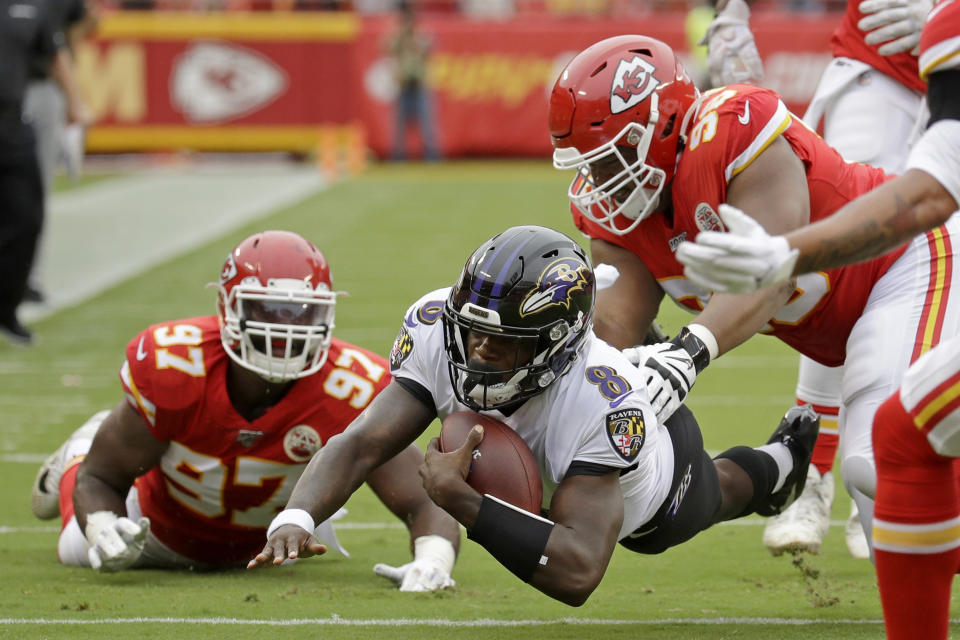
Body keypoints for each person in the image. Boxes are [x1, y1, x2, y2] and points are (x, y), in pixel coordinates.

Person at [547, 34, 960, 565]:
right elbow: (613, 324)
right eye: (589, 164)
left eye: (612, 158)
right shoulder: (618, 216)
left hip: (909, 265)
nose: (600, 180)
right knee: (886, 513)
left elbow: (772, 273)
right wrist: (569, 377)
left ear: (665, 121)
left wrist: (689, 351)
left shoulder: (732, 127)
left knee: (877, 463)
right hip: (851, 324)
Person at [249, 225, 821, 606]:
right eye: (471, 332)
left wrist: (464, 503)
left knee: (713, 494)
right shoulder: (434, 327)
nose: (477, 352)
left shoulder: (607, 404)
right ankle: (632, 338)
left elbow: (578, 573)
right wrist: (294, 518)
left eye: (502, 342)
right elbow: (363, 441)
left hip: (641, 477)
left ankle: (783, 467)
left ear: (554, 344)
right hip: (569, 410)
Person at [30, 230, 460, 590]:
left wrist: (433, 560)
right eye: (267, 310)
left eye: (301, 312)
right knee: (80, 546)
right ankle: (77, 450)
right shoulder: (176, 366)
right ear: (227, 307)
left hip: (270, 548)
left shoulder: (348, 385)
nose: (284, 328)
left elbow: (423, 500)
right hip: (155, 531)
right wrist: (104, 525)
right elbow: (103, 478)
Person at [697, 0, 931, 558]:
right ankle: (819, 471)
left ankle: (879, 464)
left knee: (928, 264)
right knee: (845, 245)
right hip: (881, 62)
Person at [0, 0, 86, 345]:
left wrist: (76, 102)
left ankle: (7, 308)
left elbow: (55, 51)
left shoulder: (34, 7)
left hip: (12, 118)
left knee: (27, 216)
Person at [22, 0, 95, 303]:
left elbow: (87, 17)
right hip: (15, 85)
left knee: (36, 187)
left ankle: (28, 276)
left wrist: (67, 43)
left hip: (41, 83)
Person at [386, 0, 440, 162]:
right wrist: (402, 35)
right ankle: (398, 155)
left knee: (426, 123)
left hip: (418, 83)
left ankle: (431, 154)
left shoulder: (421, 35)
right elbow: (387, 47)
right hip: (403, 85)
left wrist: (414, 39)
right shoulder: (398, 36)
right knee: (399, 125)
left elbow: (428, 50)